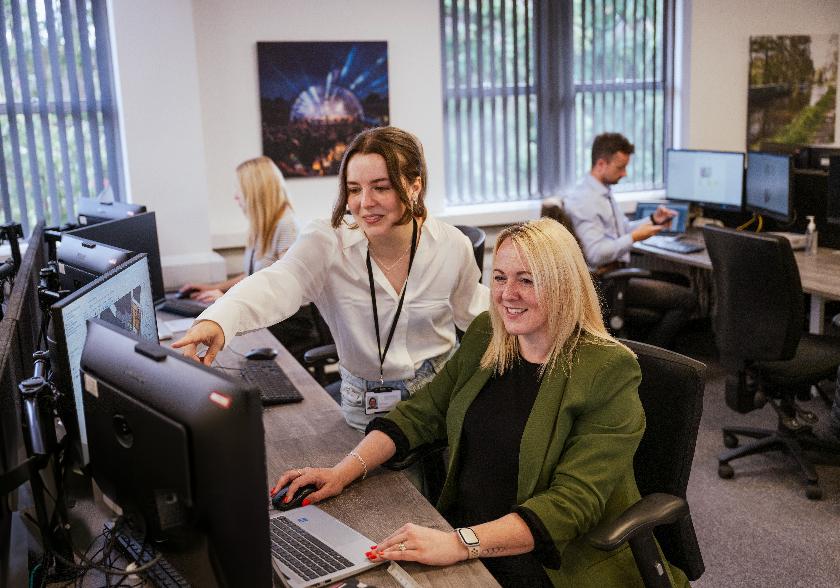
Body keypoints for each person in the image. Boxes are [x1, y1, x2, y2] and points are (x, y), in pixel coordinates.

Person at [272, 218, 689, 587]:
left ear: (563, 284)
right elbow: (424, 411)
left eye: (527, 280)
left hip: (547, 560)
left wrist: (459, 544)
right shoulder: (491, 333)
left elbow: (569, 505)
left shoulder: (608, 370)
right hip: (459, 531)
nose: (508, 294)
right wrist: (342, 472)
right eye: (501, 277)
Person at [172, 127, 488, 431]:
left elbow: (474, 311)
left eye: (381, 187)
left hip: (438, 394)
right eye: (354, 190)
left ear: (414, 186)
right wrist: (218, 319)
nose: (365, 203)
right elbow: (279, 281)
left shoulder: (451, 245)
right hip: (363, 399)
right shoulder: (327, 241)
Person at [177, 156, 319, 361]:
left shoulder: (287, 226)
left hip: (289, 322)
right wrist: (214, 287)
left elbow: (284, 287)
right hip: (268, 315)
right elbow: (253, 274)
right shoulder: (261, 225)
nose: (236, 197)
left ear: (255, 191)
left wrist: (231, 304)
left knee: (228, 353)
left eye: (239, 190)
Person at [564, 132, 697, 349]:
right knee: (687, 299)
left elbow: (621, 229)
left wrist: (653, 220)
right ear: (600, 164)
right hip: (605, 282)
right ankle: (649, 360)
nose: (625, 173)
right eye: (620, 167)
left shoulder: (601, 192)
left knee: (680, 280)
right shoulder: (585, 201)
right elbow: (596, 253)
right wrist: (634, 237)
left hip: (615, 273)